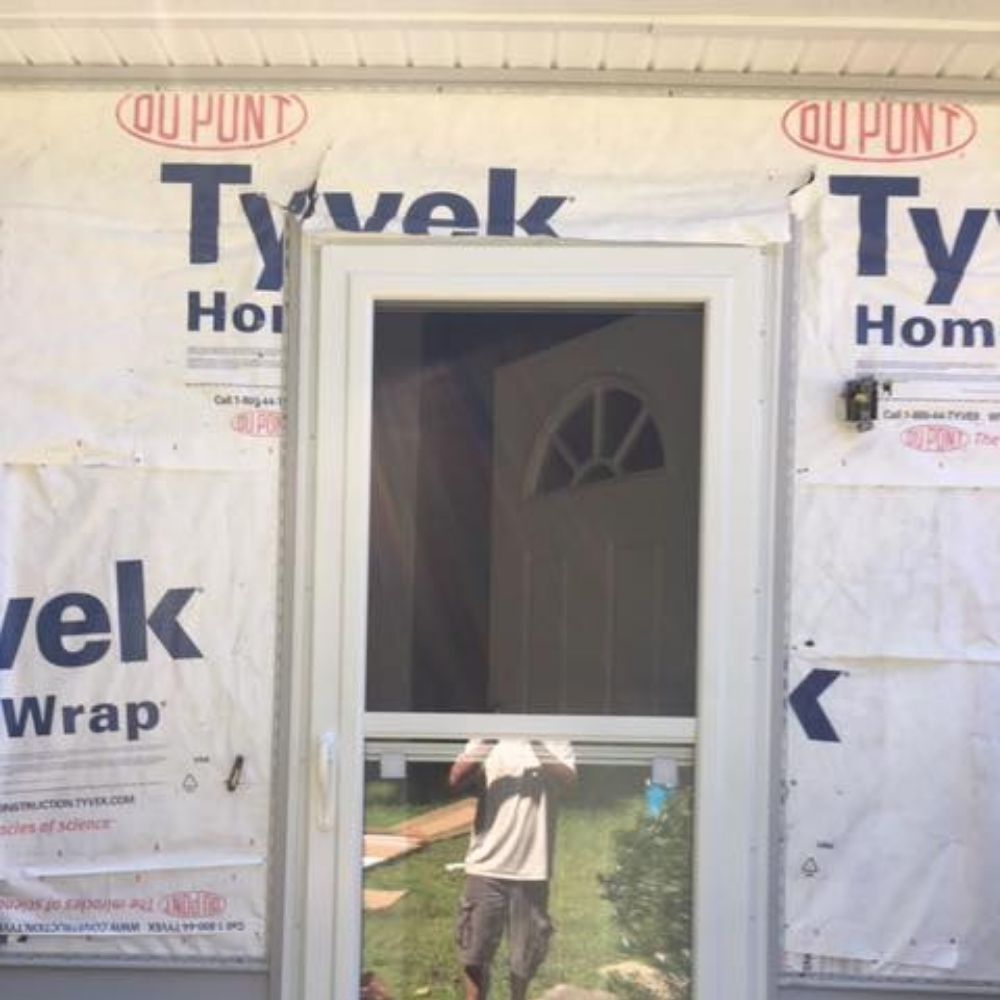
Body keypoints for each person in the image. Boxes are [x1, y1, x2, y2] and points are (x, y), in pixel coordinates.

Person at [449, 737, 576, 1000]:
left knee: (524, 958)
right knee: (475, 954)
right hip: (486, 865)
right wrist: (487, 740)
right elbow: (456, 779)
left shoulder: (556, 738)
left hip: (532, 868)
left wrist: (538, 744)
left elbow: (569, 782)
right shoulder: (487, 737)